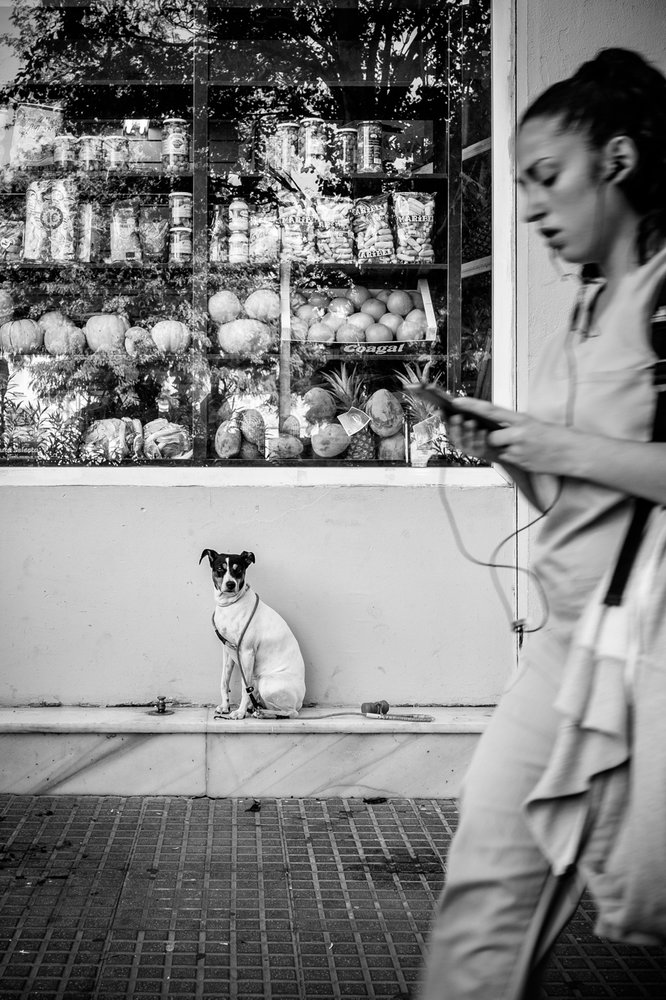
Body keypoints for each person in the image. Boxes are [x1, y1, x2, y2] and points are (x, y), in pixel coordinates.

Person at [418, 47, 666, 1000]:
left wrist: (559, 447)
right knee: (486, 880)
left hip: (650, 654)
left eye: (544, 177)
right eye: (519, 184)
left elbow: (596, 467)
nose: (527, 207)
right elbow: (577, 505)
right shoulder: (586, 303)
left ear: (619, 158)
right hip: (566, 649)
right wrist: (516, 454)